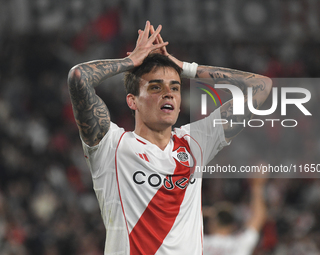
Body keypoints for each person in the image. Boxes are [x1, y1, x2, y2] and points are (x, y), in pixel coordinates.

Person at [67, 21, 272, 255]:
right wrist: (130, 62)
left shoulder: (196, 141)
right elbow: (78, 77)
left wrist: (185, 68)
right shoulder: (112, 146)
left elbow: (261, 86)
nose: (168, 93)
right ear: (132, 100)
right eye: (155, 87)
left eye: (175, 88)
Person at [203, 178, 267, 255]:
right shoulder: (240, 243)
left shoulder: (201, 242)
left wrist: (203, 213)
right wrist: (257, 186)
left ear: (210, 223)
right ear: (232, 225)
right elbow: (258, 217)